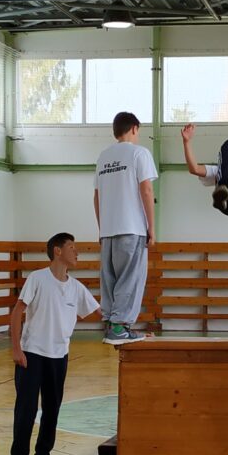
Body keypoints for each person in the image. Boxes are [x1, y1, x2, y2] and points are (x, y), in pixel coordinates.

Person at [3, 233, 100, 455]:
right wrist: (16, 349)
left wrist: (127, 326)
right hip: (32, 355)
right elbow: (17, 313)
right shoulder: (37, 278)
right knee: (25, 410)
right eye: (72, 247)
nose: (77, 252)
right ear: (57, 251)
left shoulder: (77, 288)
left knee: (52, 410)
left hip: (59, 357)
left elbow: (101, 314)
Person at [94, 111, 158, 345]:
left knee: (110, 279)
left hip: (108, 230)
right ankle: (120, 327)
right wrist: (152, 227)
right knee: (131, 278)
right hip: (132, 227)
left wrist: (102, 229)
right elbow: (147, 190)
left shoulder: (103, 157)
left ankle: (112, 324)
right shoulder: (140, 153)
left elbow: (96, 196)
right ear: (133, 128)